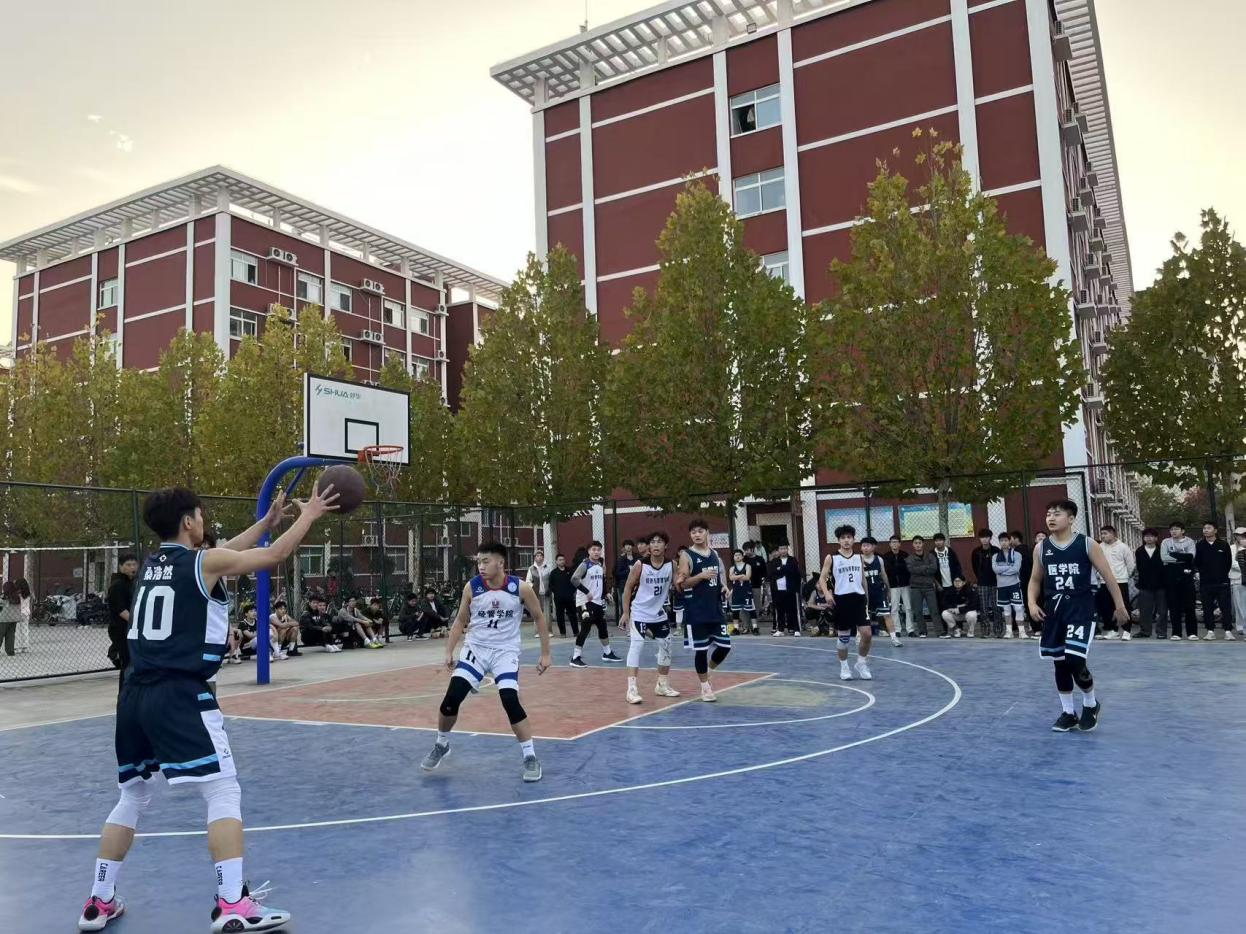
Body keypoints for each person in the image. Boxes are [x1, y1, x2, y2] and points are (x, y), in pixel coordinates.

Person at [77, 483, 336, 932]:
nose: (204, 521)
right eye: (200, 514)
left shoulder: (151, 566)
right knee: (222, 792)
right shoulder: (202, 562)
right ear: (188, 521)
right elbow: (273, 556)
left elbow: (225, 553)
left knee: (133, 796)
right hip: (179, 694)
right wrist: (309, 514)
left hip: (133, 694)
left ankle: (99, 901)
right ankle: (233, 903)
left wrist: (266, 522)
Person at [420, 541, 551, 782]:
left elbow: (539, 617)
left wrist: (545, 654)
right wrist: (449, 651)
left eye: (485, 561)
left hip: (505, 652)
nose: (480, 566)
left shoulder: (520, 588)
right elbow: (460, 620)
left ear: (500, 562)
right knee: (451, 698)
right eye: (478, 561)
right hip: (476, 650)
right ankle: (441, 743)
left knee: (510, 700)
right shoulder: (472, 587)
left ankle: (530, 756)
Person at [1027, 499, 1127, 733]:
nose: (1051, 518)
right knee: (1060, 662)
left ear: (1071, 519)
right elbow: (1035, 579)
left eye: (1057, 514)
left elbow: (1108, 576)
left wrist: (1120, 605)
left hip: (1080, 608)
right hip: (1054, 610)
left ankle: (1090, 704)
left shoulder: (1087, 544)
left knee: (1074, 659)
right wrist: (1031, 603)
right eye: (1048, 514)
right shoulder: (1041, 548)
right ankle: (1068, 713)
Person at [618, 531, 681, 703]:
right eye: (652, 542)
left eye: (659, 542)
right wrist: (626, 613)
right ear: (649, 546)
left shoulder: (672, 564)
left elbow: (678, 585)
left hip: (658, 613)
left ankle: (662, 685)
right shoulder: (640, 565)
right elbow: (627, 588)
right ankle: (631, 690)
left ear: (665, 545)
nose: (655, 545)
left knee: (666, 646)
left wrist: (687, 576)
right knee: (637, 645)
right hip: (639, 612)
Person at [677, 519, 732, 701]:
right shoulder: (686, 555)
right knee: (701, 650)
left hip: (715, 609)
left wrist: (723, 587)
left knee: (725, 646)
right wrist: (700, 576)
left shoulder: (714, 554)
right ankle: (705, 687)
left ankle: (708, 671)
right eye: (693, 532)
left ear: (707, 532)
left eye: (700, 531)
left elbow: (716, 579)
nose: (697, 534)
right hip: (697, 610)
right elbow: (683, 584)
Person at [817, 525, 873, 680]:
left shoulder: (859, 557)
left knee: (867, 634)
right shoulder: (832, 557)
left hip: (859, 598)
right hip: (841, 599)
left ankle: (861, 663)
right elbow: (822, 578)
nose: (846, 540)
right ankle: (844, 667)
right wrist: (827, 594)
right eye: (843, 538)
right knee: (844, 638)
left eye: (849, 537)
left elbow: (863, 579)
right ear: (838, 541)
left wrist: (867, 597)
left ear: (853, 539)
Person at [569, 541, 620, 666]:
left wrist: (606, 593)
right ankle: (575, 657)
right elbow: (574, 579)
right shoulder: (585, 564)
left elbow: (601, 581)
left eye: (598, 550)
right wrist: (586, 592)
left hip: (597, 602)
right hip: (585, 602)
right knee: (585, 628)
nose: (596, 552)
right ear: (589, 551)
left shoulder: (600, 564)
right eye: (593, 549)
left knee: (602, 627)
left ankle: (607, 653)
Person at [1195, 521, 1235, 640]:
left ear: (1215, 530)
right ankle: (1210, 631)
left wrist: (1222, 575)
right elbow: (1197, 562)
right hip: (1206, 582)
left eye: (1209, 528)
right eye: (1204, 528)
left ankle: (1228, 631)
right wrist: (1199, 573)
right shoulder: (1200, 545)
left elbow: (1228, 562)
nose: (1206, 530)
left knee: (1225, 607)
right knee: (1207, 607)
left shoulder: (1223, 545)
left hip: (1222, 582)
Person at [860, 536, 901, 647]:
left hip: (879, 591)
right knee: (863, 616)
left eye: (868, 545)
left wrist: (888, 589)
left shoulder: (879, 559)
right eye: (863, 545)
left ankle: (894, 638)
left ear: (874, 547)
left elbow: (883, 574)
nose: (865, 548)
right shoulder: (858, 559)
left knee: (887, 614)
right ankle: (860, 637)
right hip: (864, 593)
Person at [1096, 526, 1136, 640]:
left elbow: (1130, 564)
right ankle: (1112, 630)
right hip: (1104, 581)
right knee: (1107, 606)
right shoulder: (1099, 547)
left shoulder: (1123, 547)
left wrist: (1125, 576)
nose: (1103, 536)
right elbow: (1096, 563)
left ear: (1113, 534)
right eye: (1102, 534)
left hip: (1120, 580)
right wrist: (1099, 575)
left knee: (1123, 606)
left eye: (1105, 533)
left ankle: (1127, 631)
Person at [106, 555, 139, 691]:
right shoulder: (118, 585)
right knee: (127, 664)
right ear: (121, 567)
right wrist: (138, 622)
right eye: (128, 565)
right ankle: (124, 694)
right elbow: (121, 610)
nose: (132, 568)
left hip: (129, 629)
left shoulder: (131, 583)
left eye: (134, 564)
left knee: (131, 663)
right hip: (120, 629)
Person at [1161, 522, 1198, 640]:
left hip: (1186, 575)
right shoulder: (1165, 542)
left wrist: (1173, 555)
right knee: (1174, 606)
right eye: (1171, 529)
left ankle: (1192, 633)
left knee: (1189, 606)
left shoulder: (1190, 542)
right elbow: (1164, 557)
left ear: (1182, 531)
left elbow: (1191, 557)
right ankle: (1176, 633)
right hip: (1171, 575)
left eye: (1176, 529)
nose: (1173, 531)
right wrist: (1182, 557)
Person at [992, 533, 1028, 639]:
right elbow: (995, 569)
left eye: (1006, 540)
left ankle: (1022, 632)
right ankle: (1009, 632)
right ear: (999, 542)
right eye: (1001, 541)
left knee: (1018, 608)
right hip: (1001, 586)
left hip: (1014, 585)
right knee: (1006, 610)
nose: (1004, 542)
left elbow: (1016, 569)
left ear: (1009, 541)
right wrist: (1008, 567)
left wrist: (1002, 571)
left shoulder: (1017, 554)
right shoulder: (995, 556)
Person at [1134, 528, 1166, 638]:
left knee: (1162, 611)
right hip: (1144, 585)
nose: (1149, 538)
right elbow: (1138, 568)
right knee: (1144, 610)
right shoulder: (1139, 551)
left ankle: (1161, 632)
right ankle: (1145, 631)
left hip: (1161, 585)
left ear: (1156, 538)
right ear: (1143, 538)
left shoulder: (1162, 550)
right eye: (1146, 536)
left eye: (1152, 536)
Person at [970, 529, 1002, 638]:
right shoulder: (976, 552)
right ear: (979, 539)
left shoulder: (996, 550)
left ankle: (998, 631)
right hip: (982, 583)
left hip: (995, 582)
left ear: (990, 538)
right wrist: (980, 577)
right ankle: (985, 631)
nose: (984, 539)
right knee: (983, 608)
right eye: (982, 537)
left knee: (997, 608)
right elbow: (974, 567)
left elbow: (1000, 565)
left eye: (986, 537)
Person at [907, 536, 941, 638]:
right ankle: (922, 631)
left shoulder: (930, 556)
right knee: (918, 611)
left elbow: (934, 568)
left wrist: (920, 569)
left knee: (934, 610)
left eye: (920, 543)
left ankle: (940, 632)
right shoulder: (909, 558)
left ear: (923, 544)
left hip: (929, 586)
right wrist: (926, 568)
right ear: (913, 545)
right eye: (916, 543)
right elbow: (912, 570)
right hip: (915, 587)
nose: (918, 545)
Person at [767, 543, 802, 636]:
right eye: (781, 549)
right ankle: (780, 629)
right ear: (778, 550)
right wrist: (783, 570)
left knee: (793, 609)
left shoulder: (792, 560)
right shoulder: (774, 561)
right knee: (779, 610)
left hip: (790, 589)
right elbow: (772, 573)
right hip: (778, 589)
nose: (783, 551)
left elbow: (794, 572)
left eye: (785, 548)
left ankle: (796, 629)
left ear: (787, 549)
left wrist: (781, 569)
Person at [883, 536, 913, 638]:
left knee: (908, 607)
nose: (894, 544)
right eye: (892, 542)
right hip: (893, 586)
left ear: (900, 544)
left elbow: (908, 569)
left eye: (896, 542)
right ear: (890, 544)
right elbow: (886, 571)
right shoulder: (886, 556)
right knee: (894, 608)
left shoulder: (905, 555)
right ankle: (897, 629)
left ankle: (910, 629)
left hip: (905, 584)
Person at [727, 548, 757, 635]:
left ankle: (755, 628)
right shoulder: (732, 568)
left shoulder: (747, 566)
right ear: (733, 557)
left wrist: (736, 576)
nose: (737, 557)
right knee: (735, 610)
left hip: (746, 591)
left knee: (751, 610)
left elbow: (747, 577)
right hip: (737, 591)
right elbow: (731, 578)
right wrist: (741, 575)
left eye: (739, 555)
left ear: (742, 556)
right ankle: (736, 629)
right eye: (735, 555)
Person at [547, 554, 577, 638]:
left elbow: (574, 582)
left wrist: (572, 592)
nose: (562, 561)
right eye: (560, 560)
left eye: (563, 559)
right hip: (559, 598)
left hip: (569, 597)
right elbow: (551, 585)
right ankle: (563, 633)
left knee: (573, 615)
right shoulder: (553, 573)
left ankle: (576, 632)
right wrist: (557, 592)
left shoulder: (570, 571)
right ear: (556, 561)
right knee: (560, 616)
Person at [525, 549, 551, 623]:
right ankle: (537, 629)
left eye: (541, 556)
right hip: (536, 594)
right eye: (537, 556)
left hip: (546, 593)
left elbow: (551, 579)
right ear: (535, 558)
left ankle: (548, 628)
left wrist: (550, 588)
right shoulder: (531, 568)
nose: (539, 557)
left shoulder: (548, 567)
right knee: (537, 612)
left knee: (547, 613)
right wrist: (533, 587)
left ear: (543, 557)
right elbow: (528, 581)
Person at [613, 540, 638, 612]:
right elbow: (616, 572)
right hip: (623, 584)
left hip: (635, 584)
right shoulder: (621, 559)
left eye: (630, 545)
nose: (628, 547)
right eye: (626, 545)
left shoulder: (637, 557)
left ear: (632, 546)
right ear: (624, 547)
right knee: (624, 604)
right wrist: (628, 570)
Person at [803, 571, 830, 636]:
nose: (820, 585)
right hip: (819, 612)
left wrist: (821, 605)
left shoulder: (829, 591)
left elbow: (831, 605)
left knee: (830, 611)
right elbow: (809, 604)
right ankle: (815, 628)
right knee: (808, 610)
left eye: (821, 583)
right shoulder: (814, 592)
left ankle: (831, 628)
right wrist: (821, 607)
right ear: (815, 585)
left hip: (827, 613)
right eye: (818, 583)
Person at [1232, 528, 1246, 637]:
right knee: (1239, 606)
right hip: (1237, 579)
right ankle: (1241, 626)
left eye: (1243, 535)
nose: (1241, 537)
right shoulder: (1232, 548)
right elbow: (1232, 563)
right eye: (1238, 535)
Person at [0, 581, 20, 657]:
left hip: (3, 619)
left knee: (0, 635)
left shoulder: (3, 597)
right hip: (13, 619)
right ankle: (10, 651)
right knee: (11, 635)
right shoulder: (17, 597)